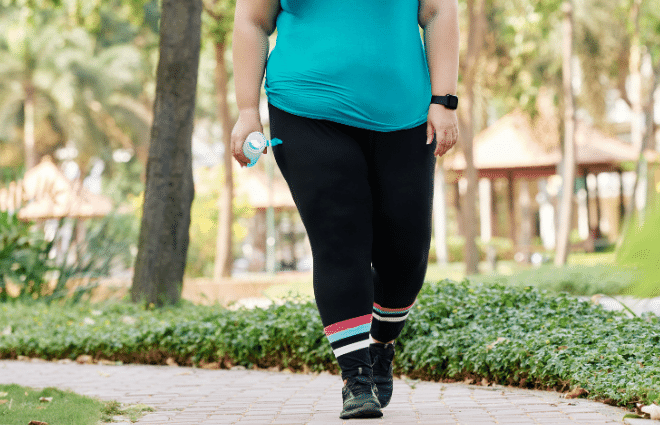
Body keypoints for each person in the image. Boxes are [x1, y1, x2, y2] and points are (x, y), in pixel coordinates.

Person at [231, 0, 459, 419]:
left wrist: (443, 100)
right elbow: (252, 20)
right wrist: (248, 110)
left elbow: (439, 12)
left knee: (405, 254)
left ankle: (381, 345)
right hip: (305, 109)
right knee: (340, 239)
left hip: (405, 114)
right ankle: (355, 380)